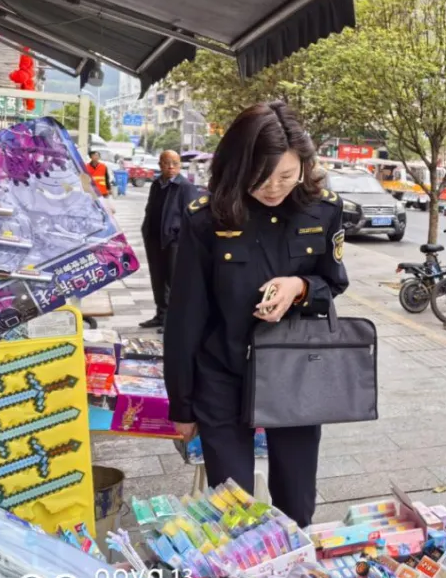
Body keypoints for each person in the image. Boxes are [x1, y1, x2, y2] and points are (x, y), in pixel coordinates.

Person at [163, 102, 348, 527]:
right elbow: (185, 318)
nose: (273, 187)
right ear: (237, 166)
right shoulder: (207, 218)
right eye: (261, 176)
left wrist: (299, 287)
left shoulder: (322, 209)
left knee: (297, 506)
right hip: (222, 375)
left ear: (304, 166)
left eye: (286, 175)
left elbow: (332, 282)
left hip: (294, 375)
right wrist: (182, 405)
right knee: (234, 512)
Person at [139, 151, 198, 330]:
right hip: (155, 239)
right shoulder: (156, 185)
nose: (171, 167)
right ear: (160, 165)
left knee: (173, 282)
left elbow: (192, 217)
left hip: (174, 242)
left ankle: (174, 320)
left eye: (175, 163)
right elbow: (150, 209)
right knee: (157, 279)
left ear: (180, 165)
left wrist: (178, 236)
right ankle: (161, 315)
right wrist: (146, 229)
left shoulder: (185, 187)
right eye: (167, 163)